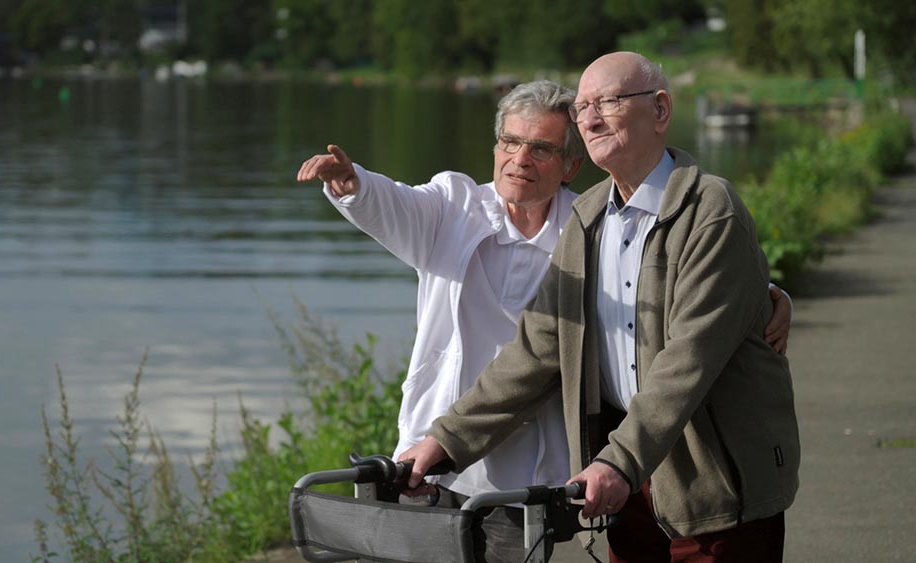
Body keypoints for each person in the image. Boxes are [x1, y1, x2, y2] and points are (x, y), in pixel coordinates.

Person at [300, 79, 792, 563]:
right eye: (510, 142)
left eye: (540, 148)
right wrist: (354, 184)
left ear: (570, 165)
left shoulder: (585, 223)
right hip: (442, 442)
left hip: (544, 465)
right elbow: (396, 206)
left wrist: (760, 294)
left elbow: (672, 313)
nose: (520, 159)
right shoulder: (461, 206)